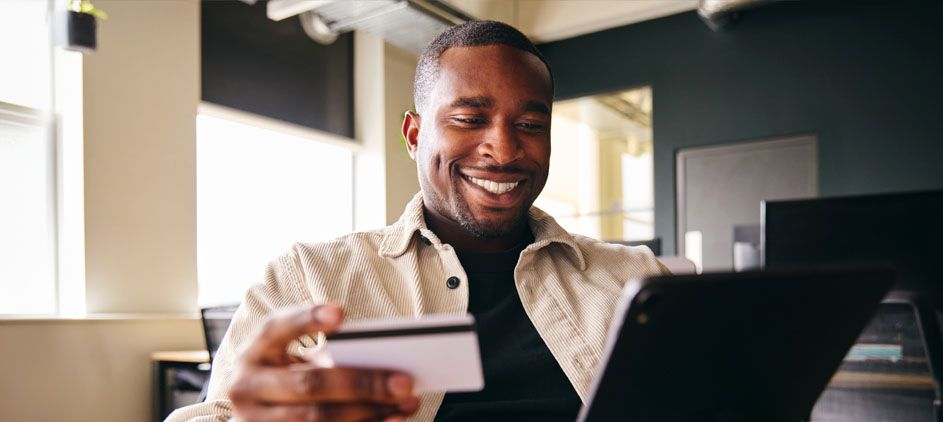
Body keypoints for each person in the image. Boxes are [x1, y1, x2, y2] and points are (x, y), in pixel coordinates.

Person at [166, 20, 669, 422]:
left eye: (530, 125)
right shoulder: (306, 279)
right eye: (469, 119)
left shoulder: (635, 280)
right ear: (413, 134)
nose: (504, 149)